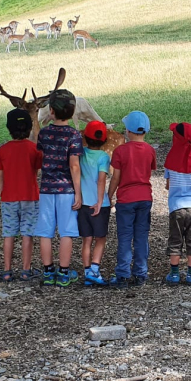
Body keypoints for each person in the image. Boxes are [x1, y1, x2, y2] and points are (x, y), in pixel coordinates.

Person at [35, 88, 83, 287]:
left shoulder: (44, 133)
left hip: (46, 189)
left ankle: (47, 272)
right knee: (66, 232)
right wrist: (78, 192)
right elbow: (74, 165)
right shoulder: (74, 135)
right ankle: (63, 273)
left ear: (51, 111)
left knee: (45, 232)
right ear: (72, 112)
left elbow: (41, 157)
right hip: (66, 191)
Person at [108, 110, 157, 288]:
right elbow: (149, 170)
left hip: (126, 199)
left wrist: (109, 195)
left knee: (124, 237)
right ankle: (141, 274)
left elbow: (116, 178)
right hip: (145, 198)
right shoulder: (150, 150)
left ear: (128, 131)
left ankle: (122, 275)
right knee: (141, 236)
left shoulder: (120, 151)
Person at [0, 108, 43, 281]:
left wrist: (2, 193)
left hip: (9, 198)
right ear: (29, 128)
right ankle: (25, 270)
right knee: (27, 233)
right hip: (30, 196)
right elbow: (36, 171)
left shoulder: (3, 150)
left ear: (9, 128)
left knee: (8, 233)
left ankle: (7, 270)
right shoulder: (34, 148)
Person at [164, 122, 191, 285]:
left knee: (175, 239)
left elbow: (168, 185)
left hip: (176, 206)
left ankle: (174, 273)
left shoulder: (170, 160)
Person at [78, 120, 111, 287]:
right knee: (100, 238)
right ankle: (95, 271)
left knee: (87, 240)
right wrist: (99, 201)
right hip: (100, 204)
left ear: (85, 137)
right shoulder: (104, 157)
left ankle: (86, 271)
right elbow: (101, 180)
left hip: (83, 204)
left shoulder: (81, 154)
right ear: (105, 140)